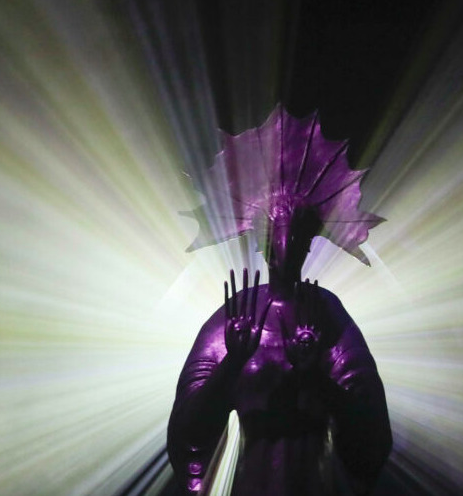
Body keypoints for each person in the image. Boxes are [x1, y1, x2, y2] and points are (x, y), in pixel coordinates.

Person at [167, 107, 391, 495]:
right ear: (260, 244)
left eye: (296, 239)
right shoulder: (232, 321)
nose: (284, 251)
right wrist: (232, 363)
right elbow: (187, 436)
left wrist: (316, 378)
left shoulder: (326, 315)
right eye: (274, 240)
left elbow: (372, 435)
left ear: (308, 244)